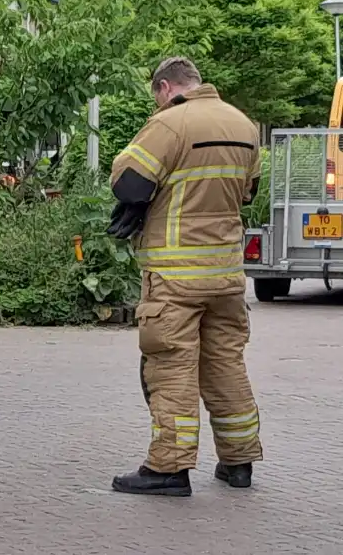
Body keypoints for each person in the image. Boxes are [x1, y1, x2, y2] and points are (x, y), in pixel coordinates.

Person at [107, 57, 264, 497]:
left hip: (175, 275)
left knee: (171, 368)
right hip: (226, 274)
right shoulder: (243, 125)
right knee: (225, 364)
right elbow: (247, 191)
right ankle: (239, 461)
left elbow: (127, 184)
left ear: (164, 88)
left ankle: (169, 469)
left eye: (154, 96)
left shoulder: (170, 123)